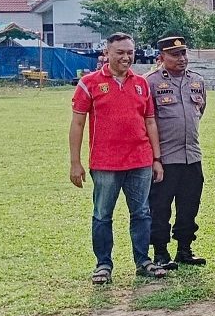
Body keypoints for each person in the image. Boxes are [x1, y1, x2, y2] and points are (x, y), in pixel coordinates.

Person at [69, 32, 167, 285]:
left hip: (140, 160)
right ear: (107, 53)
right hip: (105, 163)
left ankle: (143, 261)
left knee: (142, 213)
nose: (126, 57)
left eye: (130, 52)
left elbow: (150, 121)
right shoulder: (89, 83)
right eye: (120, 52)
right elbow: (78, 123)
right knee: (103, 214)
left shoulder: (141, 83)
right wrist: (75, 162)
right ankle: (103, 264)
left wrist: (156, 158)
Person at [144, 36, 207, 269]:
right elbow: (145, 121)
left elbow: (199, 112)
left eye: (183, 53)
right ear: (161, 57)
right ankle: (161, 252)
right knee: (160, 207)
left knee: (189, 205)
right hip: (165, 158)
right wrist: (154, 159)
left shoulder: (197, 80)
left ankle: (185, 249)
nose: (182, 59)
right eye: (175, 55)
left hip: (192, 155)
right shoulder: (149, 83)